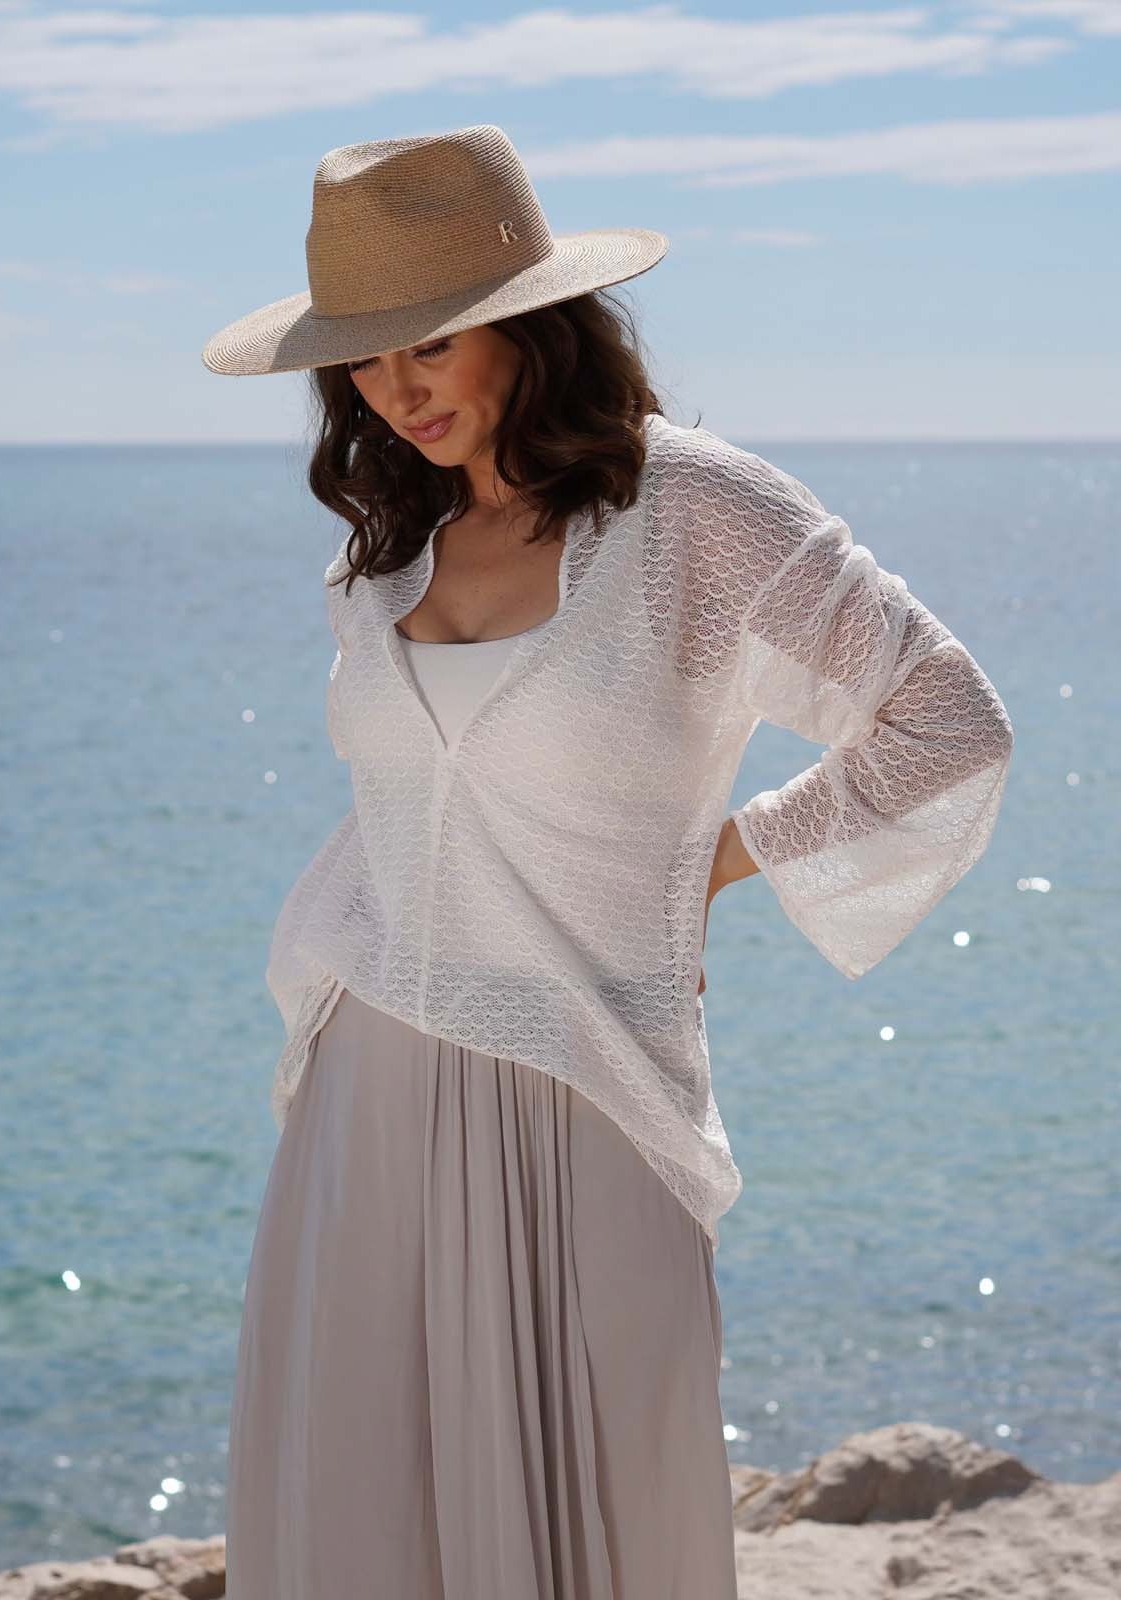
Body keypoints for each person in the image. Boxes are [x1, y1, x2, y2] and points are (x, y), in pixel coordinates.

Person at [202, 123, 1013, 1600]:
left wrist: (723, 858)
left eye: (433, 343)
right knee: (370, 1505)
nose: (399, 391)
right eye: (364, 360)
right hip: (368, 1080)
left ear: (532, 324)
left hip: (594, 1086)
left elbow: (947, 718)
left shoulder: (692, 509)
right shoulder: (384, 550)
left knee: (606, 1497)